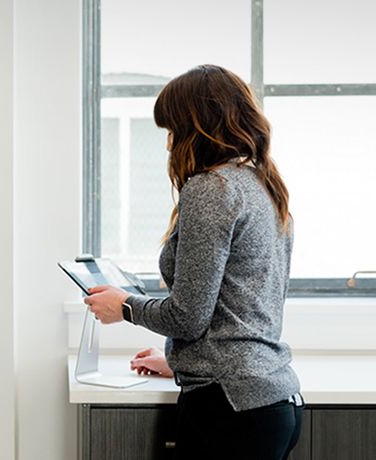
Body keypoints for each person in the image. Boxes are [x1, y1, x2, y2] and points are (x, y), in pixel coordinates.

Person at [84, 64, 303, 460]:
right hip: (269, 401)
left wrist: (125, 307)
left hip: (232, 410)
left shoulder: (211, 188)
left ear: (197, 128)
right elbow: (241, 310)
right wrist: (182, 362)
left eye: (172, 130)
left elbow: (188, 316)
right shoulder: (261, 183)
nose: (169, 145)